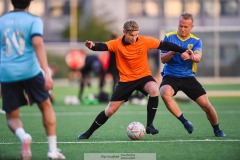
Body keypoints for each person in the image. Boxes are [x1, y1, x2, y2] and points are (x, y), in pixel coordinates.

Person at [77, 19, 190, 140]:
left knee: (154, 89)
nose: (134, 38)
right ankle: (88, 133)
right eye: (131, 35)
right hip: (126, 81)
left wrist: (184, 50)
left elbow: (165, 44)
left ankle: (150, 126)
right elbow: (102, 46)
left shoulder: (144, 40)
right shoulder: (116, 44)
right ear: (124, 32)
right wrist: (92, 46)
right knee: (110, 111)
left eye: (136, 35)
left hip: (143, 77)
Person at [0, 0, 66, 159]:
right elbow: (38, 43)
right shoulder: (34, 20)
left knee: (12, 116)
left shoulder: (1, 21)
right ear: (29, 3)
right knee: (46, 107)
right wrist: (47, 74)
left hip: (7, 72)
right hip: (31, 71)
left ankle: (24, 136)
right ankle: (52, 150)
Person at [159, 13, 226, 137]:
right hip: (171, 76)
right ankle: (185, 122)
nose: (182, 29)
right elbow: (163, 59)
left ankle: (217, 129)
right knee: (164, 93)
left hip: (188, 77)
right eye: (180, 26)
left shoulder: (196, 41)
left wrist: (191, 56)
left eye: (186, 27)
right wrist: (174, 50)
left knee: (206, 105)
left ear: (191, 27)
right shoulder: (168, 37)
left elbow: (198, 58)